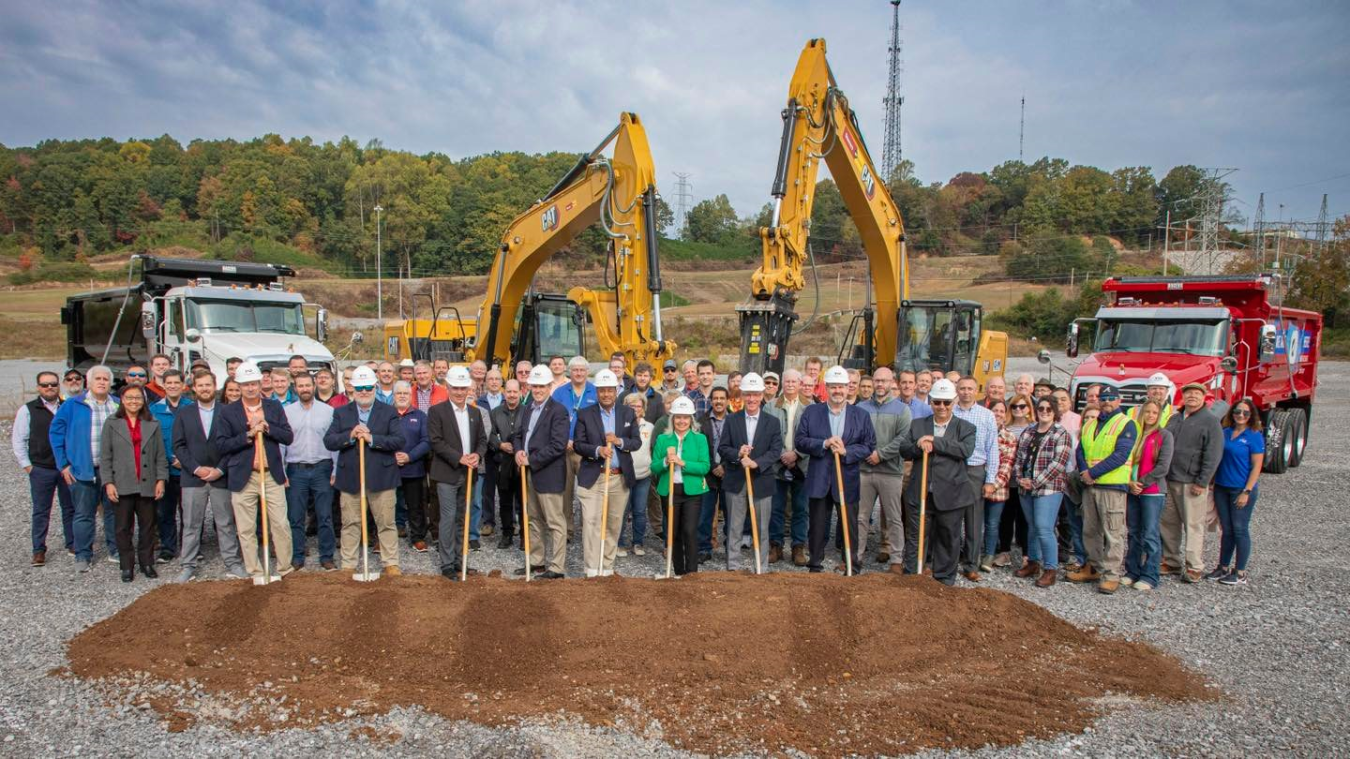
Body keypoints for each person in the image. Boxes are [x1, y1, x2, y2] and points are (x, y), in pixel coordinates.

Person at [213, 362, 295, 580]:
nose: (250, 388)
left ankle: (285, 568)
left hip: (271, 474)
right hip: (244, 476)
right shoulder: (228, 412)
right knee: (246, 527)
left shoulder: (274, 407)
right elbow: (222, 444)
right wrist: (248, 435)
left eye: (254, 383)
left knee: (280, 523)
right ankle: (255, 572)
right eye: (245, 384)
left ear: (261, 384)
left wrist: (267, 427)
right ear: (238, 386)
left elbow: (287, 436)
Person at [325, 365, 404, 577]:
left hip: (382, 478)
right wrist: (350, 435)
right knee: (350, 523)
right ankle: (349, 564)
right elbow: (330, 441)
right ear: (352, 388)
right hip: (350, 478)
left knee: (386, 523)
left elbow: (398, 440)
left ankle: (390, 562)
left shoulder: (388, 412)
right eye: (360, 388)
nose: (364, 392)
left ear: (375, 387)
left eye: (368, 387)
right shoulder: (341, 413)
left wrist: (372, 439)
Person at [796, 366, 877, 573]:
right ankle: (815, 564)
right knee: (817, 525)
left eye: (841, 387)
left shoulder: (861, 415)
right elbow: (800, 441)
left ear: (848, 388)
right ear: (827, 388)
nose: (838, 391)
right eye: (833, 387)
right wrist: (823, 444)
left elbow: (869, 445)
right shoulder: (812, 412)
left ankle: (852, 566)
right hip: (820, 478)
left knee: (849, 525)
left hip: (847, 478)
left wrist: (846, 451)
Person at [898, 379, 976, 584]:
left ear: (954, 402)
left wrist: (934, 441)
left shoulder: (965, 427)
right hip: (920, 491)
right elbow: (904, 450)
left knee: (948, 536)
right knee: (916, 536)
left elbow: (964, 450)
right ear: (931, 401)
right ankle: (912, 576)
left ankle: (944, 579)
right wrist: (918, 444)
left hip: (951, 494)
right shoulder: (918, 424)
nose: (942, 407)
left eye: (947, 403)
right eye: (938, 402)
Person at [173, 370, 248, 582]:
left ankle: (232, 562)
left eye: (208, 384)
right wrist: (196, 469)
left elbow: (233, 444)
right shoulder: (184, 413)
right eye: (201, 385)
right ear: (194, 388)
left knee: (225, 522)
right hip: (192, 477)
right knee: (191, 523)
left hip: (221, 476)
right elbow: (179, 445)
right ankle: (188, 565)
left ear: (214, 386)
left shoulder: (227, 412)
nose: (205, 388)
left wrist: (220, 470)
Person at [1068, 386, 1138, 594]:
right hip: (1090, 485)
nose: (1107, 402)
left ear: (1119, 400)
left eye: (1111, 398)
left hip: (1112, 487)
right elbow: (1081, 451)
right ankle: (1093, 567)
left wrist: (1092, 473)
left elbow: (1120, 455)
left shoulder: (1126, 424)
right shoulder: (1090, 424)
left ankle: (1111, 575)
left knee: (1113, 532)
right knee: (1090, 530)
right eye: (1103, 398)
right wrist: (1084, 472)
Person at [50, 364, 120, 572]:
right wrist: (63, 464)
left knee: (113, 512)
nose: (101, 382)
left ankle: (115, 550)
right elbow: (56, 435)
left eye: (105, 379)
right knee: (83, 514)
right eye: (97, 379)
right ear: (88, 382)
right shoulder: (72, 405)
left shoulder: (117, 405)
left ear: (110, 383)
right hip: (82, 470)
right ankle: (83, 554)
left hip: (112, 471)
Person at [573, 370, 641, 576]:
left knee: (613, 524)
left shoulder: (627, 413)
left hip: (618, 477)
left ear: (615, 391)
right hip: (595, 476)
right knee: (592, 522)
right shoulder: (585, 414)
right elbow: (578, 444)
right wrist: (598, 451)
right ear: (597, 392)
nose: (606, 394)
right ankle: (592, 569)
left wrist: (620, 441)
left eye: (610, 390)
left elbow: (636, 442)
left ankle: (607, 568)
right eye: (602, 391)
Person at [100, 385, 168, 582]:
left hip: (147, 483)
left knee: (148, 526)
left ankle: (147, 563)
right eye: (129, 398)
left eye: (138, 398)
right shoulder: (112, 423)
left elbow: (160, 456)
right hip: (122, 483)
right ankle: (127, 565)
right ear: (122, 399)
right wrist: (108, 482)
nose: (134, 401)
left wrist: (161, 480)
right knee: (122, 527)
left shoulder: (151, 422)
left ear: (143, 400)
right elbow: (105, 456)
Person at [716, 373, 782, 572]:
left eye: (755, 394)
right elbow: (723, 447)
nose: (752, 399)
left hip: (762, 479)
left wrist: (756, 463)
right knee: (734, 526)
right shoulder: (732, 420)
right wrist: (738, 453)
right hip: (736, 479)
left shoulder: (772, 422)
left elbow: (775, 450)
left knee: (762, 528)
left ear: (762, 395)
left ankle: (760, 566)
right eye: (748, 395)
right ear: (742, 396)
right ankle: (733, 566)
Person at [1161, 382, 1224, 582]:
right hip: (1170, 479)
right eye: (1189, 393)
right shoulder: (1175, 418)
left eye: (1197, 394)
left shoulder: (1210, 421)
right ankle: (1171, 561)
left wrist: (1202, 481)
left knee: (1193, 525)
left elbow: (1213, 454)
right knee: (1168, 523)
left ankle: (1194, 566)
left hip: (1192, 482)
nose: (1192, 397)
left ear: (1204, 397)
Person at [511, 365, 571, 579]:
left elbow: (558, 445)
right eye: (534, 386)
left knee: (555, 521)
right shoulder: (527, 408)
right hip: (529, 472)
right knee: (533, 518)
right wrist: (518, 451)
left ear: (549, 386)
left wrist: (531, 460)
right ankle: (536, 562)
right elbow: (519, 434)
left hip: (548, 473)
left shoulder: (558, 411)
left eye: (541, 386)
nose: (537, 390)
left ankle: (556, 567)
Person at [427, 367, 487, 578]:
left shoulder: (474, 412)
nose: (460, 392)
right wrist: (458, 457)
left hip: (469, 473)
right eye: (455, 388)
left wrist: (477, 456)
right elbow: (436, 441)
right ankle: (447, 564)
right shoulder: (437, 411)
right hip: (447, 474)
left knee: (463, 517)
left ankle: (460, 561)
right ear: (448, 388)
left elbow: (481, 440)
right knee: (448, 517)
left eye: (463, 388)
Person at [13, 371, 74, 566]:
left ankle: (73, 543)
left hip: (66, 467)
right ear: (38, 387)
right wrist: (28, 466)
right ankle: (39, 549)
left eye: (53, 384)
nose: (49, 388)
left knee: (70, 507)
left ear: (59, 386)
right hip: (41, 469)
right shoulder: (28, 410)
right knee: (41, 510)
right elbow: (19, 440)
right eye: (45, 385)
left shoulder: (68, 407)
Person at [1012, 397, 1073, 587]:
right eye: (1041, 408)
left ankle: (1050, 568)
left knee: (1044, 528)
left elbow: (1058, 464)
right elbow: (1019, 457)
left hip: (1048, 489)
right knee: (1032, 526)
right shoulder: (1028, 431)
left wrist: (1035, 482)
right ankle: (1033, 562)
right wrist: (1019, 477)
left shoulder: (1061, 433)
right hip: (1025, 486)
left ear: (1055, 411)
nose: (1044, 411)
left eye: (1048, 408)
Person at [857, 367, 911, 569]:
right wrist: (866, 453)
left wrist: (880, 454)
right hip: (864, 470)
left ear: (891, 383)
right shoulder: (861, 408)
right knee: (861, 517)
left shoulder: (902, 410)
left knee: (893, 517)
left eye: (884, 381)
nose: (880, 384)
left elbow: (903, 439)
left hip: (890, 472)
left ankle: (896, 559)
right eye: (877, 381)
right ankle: (856, 556)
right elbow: (854, 435)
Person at [283, 372, 338, 571]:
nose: (305, 389)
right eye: (300, 386)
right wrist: (282, 471)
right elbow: (282, 443)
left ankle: (326, 556)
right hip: (296, 470)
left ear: (314, 386)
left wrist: (336, 469)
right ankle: (297, 555)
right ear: (295, 388)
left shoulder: (328, 411)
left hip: (322, 468)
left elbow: (334, 443)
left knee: (325, 516)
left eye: (308, 385)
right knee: (296, 516)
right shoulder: (287, 412)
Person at [650, 396, 710, 575]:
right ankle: (678, 571)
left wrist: (682, 462)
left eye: (685, 417)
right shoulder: (663, 439)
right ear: (672, 419)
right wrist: (666, 462)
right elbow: (653, 467)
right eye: (678, 417)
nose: (682, 421)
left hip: (692, 492)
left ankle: (691, 573)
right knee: (673, 532)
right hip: (669, 491)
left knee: (690, 531)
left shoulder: (700, 439)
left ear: (691, 420)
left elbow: (705, 467)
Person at [1209, 398, 1265, 586]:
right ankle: (1222, 567)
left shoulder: (1254, 435)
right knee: (1226, 529)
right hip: (1222, 487)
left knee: (1240, 529)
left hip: (1240, 489)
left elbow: (1257, 466)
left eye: (1245, 413)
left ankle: (1240, 572)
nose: (1240, 415)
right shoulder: (1224, 433)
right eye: (1237, 411)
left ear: (1251, 416)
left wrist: (1247, 491)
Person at [951, 376, 999, 581]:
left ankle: (970, 564)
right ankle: (949, 562)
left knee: (973, 520)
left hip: (975, 470)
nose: (966, 392)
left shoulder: (986, 415)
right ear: (957, 390)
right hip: (952, 469)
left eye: (970, 388)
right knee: (951, 518)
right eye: (962, 388)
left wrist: (990, 480)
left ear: (976, 391)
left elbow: (993, 448)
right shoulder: (949, 411)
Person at [1123, 399, 1173, 592]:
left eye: (1154, 412)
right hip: (1132, 489)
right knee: (1134, 532)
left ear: (1159, 415)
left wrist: (1142, 482)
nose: (1150, 416)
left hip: (1152, 491)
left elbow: (1163, 466)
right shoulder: (1135, 434)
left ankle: (1150, 574)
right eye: (1147, 412)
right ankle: (1132, 570)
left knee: (1151, 533)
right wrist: (1130, 482)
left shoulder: (1164, 436)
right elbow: (1126, 461)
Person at [768, 368, 810, 566]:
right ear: (782, 384)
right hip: (777, 466)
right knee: (776, 508)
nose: (791, 385)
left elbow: (815, 437)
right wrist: (782, 456)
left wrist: (797, 455)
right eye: (787, 381)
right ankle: (775, 545)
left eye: (794, 381)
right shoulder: (770, 406)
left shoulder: (811, 407)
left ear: (800, 384)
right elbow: (766, 436)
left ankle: (798, 547)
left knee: (800, 508)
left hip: (802, 465)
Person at [553, 355, 597, 539]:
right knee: (565, 492)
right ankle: (568, 530)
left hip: (586, 450)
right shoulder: (559, 393)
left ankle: (588, 529)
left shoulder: (595, 392)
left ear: (587, 372)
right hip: (565, 450)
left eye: (582, 370)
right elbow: (553, 420)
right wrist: (563, 440)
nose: (578, 373)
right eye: (575, 370)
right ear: (569, 372)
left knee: (588, 492)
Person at [147, 369, 188, 565]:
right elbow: (153, 441)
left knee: (188, 512)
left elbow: (196, 438)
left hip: (188, 468)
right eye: (169, 382)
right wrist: (168, 460)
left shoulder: (191, 407)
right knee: (165, 512)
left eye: (176, 382)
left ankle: (189, 548)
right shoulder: (154, 410)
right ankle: (168, 548)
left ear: (183, 385)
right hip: (165, 470)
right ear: (163, 385)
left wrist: (185, 459)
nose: (172, 386)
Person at [994, 393, 1034, 568]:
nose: (1018, 410)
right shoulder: (1006, 427)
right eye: (1015, 406)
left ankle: (1026, 554)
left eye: (1022, 406)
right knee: (1006, 518)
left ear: (1029, 409)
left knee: (1024, 519)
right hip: (1007, 482)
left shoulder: (1034, 428)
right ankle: (1004, 552)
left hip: (1025, 481)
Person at [391, 380, 431, 555]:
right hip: (389, 468)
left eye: (405, 393)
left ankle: (418, 538)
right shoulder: (385, 414)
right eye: (398, 393)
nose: (402, 396)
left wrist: (409, 456)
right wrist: (392, 456)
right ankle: (382, 540)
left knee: (415, 505)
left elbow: (427, 441)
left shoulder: (420, 416)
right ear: (393, 396)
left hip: (413, 468)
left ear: (410, 395)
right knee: (386, 506)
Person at [979, 400, 1016, 573]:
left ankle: (989, 554)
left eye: (1002, 411)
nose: (998, 413)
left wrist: (993, 485)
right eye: (995, 410)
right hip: (977, 485)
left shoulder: (1009, 437)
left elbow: (1007, 465)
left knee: (992, 524)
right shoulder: (981, 431)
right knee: (974, 522)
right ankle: (971, 553)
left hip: (998, 489)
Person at [489, 379, 525, 550]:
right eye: (509, 391)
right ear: (505, 392)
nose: (511, 395)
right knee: (504, 501)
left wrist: (519, 448)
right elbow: (489, 434)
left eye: (514, 392)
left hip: (521, 463)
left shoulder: (527, 412)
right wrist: (500, 445)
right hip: (502, 462)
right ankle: (507, 534)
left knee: (523, 500)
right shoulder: (495, 413)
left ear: (520, 392)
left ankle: (525, 536)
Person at [697, 386, 731, 561]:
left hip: (729, 472)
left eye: (722, 398)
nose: (718, 401)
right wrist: (713, 466)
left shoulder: (735, 420)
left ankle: (730, 548)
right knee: (705, 513)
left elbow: (738, 445)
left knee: (731, 514)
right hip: (708, 474)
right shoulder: (701, 421)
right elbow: (698, 448)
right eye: (715, 398)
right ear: (711, 401)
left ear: (727, 400)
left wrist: (724, 466)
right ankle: (703, 548)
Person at [618, 392, 654, 557]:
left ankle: (638, 543)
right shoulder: (620, 426)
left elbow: (652, 449)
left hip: (643, 475)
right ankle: (619, 543)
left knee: (640, 511)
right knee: (622, 510)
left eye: (638, 406)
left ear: (643, 409)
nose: (635, 409)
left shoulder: (650, 427)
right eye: (631, 406)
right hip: (625, 475)